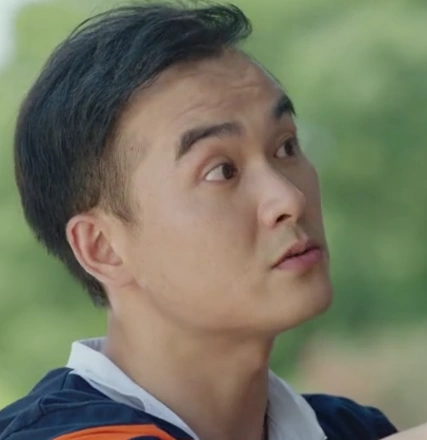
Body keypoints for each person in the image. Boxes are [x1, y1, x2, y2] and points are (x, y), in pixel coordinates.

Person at [0, 2, 398, 439]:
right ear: (103, 247)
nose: (289, 198)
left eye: (286, 146)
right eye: (222, 171)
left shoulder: (354, 429)